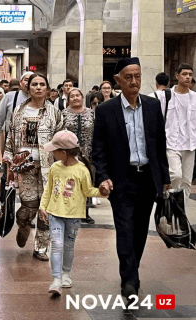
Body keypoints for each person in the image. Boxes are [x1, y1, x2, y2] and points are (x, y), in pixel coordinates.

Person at [92, 57, 171, 304]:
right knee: (125, 229)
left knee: (139, 230)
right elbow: (99, 148)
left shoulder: (151, 106)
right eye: (129, 77)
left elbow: (160, 145)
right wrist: (103, 176)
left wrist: (165, 179)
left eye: (137, 76)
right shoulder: (106, 110)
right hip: (121, 179)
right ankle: (130, 280)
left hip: (148, 178)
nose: (134, 81)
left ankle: (131, 269)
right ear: (118, 80)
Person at [40, 131, 109, 296]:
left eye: (54, 151)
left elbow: (88, 191)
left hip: (73, 216)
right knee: (56, 245)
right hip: (55, 214)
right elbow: (48, 189)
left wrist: (101, 192)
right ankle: (56, 279)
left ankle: (66, 274)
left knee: (69, 246)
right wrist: (43, 206)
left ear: (63, 153)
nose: (52, 153)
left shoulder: (82, 170)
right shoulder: (55, 168)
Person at [4, 73, 64, 261]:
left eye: (42, 84)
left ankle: (41, 247)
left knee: (46, 208)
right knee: (28, 207)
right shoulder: (19, 111)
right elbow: (11, 138)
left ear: (47, 89)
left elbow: (62, 138)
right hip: (24, 166)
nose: (38, 87)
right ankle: (23, 225)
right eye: (34, 84)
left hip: (49, 166)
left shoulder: (54, 112)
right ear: (27, 88)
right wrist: (9, 162)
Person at [0, 72, 33, 208]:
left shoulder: (39, 99)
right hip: (11, 143)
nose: (28, 83)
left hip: (31, 144)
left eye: (32, 80)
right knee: (7, 176)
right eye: (26, 80)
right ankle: (6, 207)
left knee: (29, 179)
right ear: (21, 83)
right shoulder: (9, 97)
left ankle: (28, 213)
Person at [62, 88, 96, 224]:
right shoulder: (63, 114)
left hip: (88, 153)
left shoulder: (91, 114)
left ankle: (85, 211)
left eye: (78, 95)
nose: (75, 98)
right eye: (72, 96)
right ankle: (68, 210)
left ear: (82, 98)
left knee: (85, 181)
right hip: (69, 154)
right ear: (68, 99)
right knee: (69, 182)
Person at [163, 63, 196, 200]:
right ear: (177, 76)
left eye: (190, 74)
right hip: (171, 143)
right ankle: (172, 205)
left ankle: (182, 214)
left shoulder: (195, 97)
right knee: (176, 175)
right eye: (184, 74)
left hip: (190, 144)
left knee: (187, 182)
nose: (187, 77)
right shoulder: (165, 96)